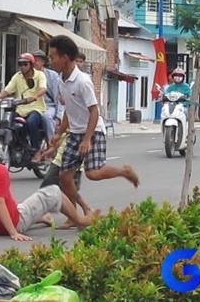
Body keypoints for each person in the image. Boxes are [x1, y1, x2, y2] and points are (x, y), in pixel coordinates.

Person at [48, 35, 139, 225]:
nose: (51, 61)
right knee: (64, 177)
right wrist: (58, 133)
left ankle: (124, 171)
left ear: (64, 57)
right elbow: (69, 111)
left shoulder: (82, 81)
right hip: (75, 132)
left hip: (93, 130)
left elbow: (94, 111)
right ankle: (80, 212)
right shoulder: (61, 79)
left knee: (92, 173)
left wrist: (87, 139)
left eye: (52, 57)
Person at [0, 53, 47, 163]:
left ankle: (36, 150)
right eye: (20, 64)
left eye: (25, 64)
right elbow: (8, 90)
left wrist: (34, 96)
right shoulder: (17, 76)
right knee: (8, 123)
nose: (22, 67)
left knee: (31, 122)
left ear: (31, 65)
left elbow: (43, 88)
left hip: (36, 108)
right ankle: (17, 145)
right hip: (20, 109)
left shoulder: (40, 75)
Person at [31, 49, 64, 144]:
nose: (35, 62)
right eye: (33, 60)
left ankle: (51, 143)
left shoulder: (52, 75)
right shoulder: (28, 75)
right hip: (33, 106)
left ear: (43, 62)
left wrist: (58, 117)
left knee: (46, 117)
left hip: (48, 105)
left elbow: (57, 95)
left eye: (37, 60)